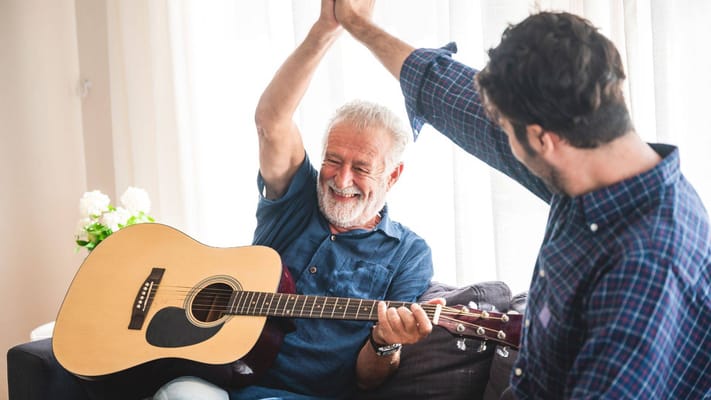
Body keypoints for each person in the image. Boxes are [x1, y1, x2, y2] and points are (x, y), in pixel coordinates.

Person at [335, 1, 711, 399]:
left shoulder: (646, 269)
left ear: (542, 139)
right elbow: (447, 92)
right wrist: (356, 24)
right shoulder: (590, 154)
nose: (502, 139)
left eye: (508, 132)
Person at [154, 1, 440, 399]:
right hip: (216, 378)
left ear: (393, 175)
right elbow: (272, 122)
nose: (341, 180)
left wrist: (385, 342)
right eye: (333, 160)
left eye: (361, 168)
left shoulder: (409, 253)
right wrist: (325, 29)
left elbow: (368, 379)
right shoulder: (297, 197)